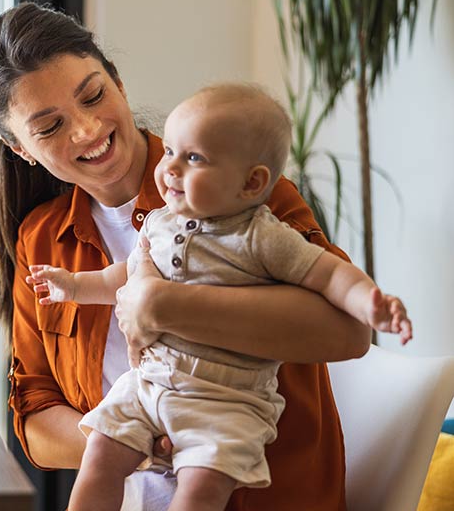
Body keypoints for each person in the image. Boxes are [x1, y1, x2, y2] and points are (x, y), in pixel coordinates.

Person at [0, 2, 389, 510]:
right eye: (50, 127)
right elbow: (34, 417)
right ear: (21, 149)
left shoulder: (245, 193)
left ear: (118, 84)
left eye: (94, 96)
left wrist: (159, 306)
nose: (85, 130)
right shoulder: (42, 239)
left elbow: (347, 331)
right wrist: (135, 443)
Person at [26, 83, 412, 511]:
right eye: (170, 150)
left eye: (193, 159)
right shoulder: (158, 222)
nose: (169, 168)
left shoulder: (263, 235)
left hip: (226, 402)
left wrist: (369, 301)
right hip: (148, 385)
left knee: (201, 489)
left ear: (251, 183)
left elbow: (330, 276)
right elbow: (124, 276)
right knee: (100, 450)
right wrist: (76, 286)